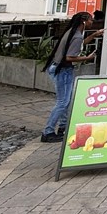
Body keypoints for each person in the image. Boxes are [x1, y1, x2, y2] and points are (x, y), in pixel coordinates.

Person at [41, 11, 101, 142]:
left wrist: (94, 35)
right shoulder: (77, 36)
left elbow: (78, 45)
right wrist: (87, 57)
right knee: (63, 102)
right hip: (63, 70)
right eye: (91, 20)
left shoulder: (73, 33)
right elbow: (69, 57)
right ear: (84, 22)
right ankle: (48, 131)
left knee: (66, 101)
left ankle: (63, 126)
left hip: (59, 68)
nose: (92, 22)